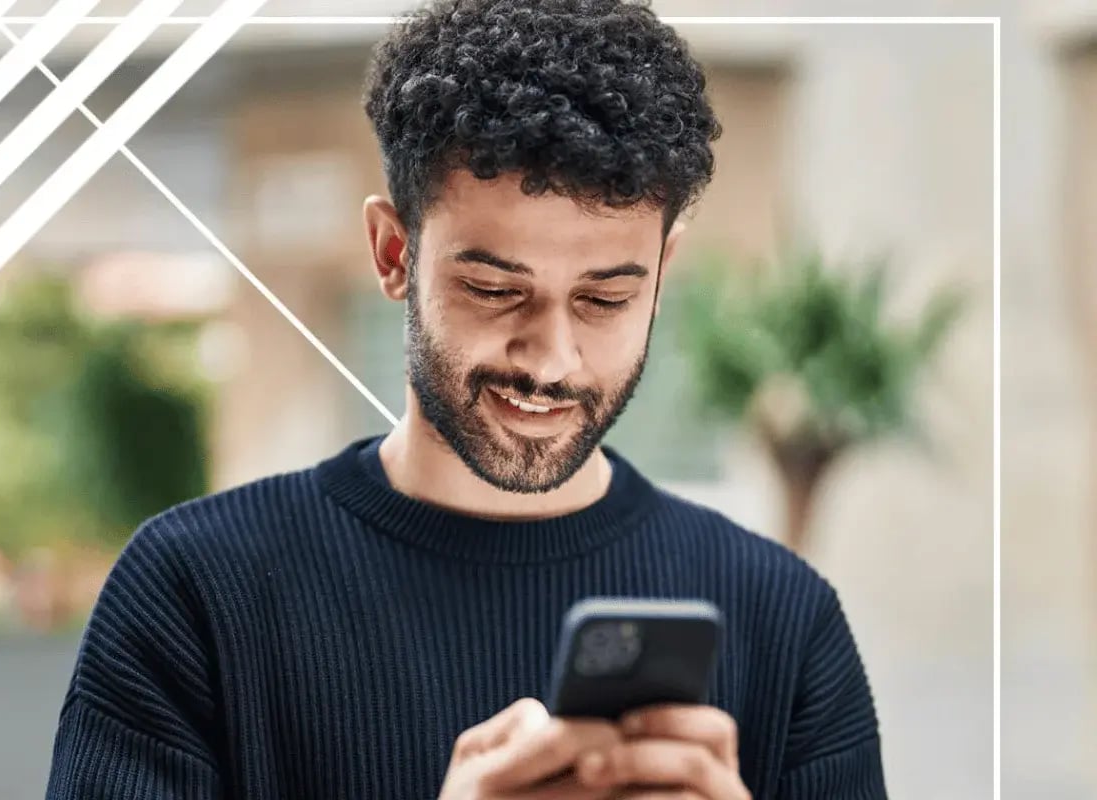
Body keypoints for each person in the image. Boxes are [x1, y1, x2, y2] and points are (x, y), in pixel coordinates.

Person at [45, 1, 887, 798]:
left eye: (605, 299)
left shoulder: (785, 620)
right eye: (494, 290)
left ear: (663, 274)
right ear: (393, 253)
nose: (552, 360)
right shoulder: (193, 595)